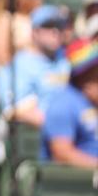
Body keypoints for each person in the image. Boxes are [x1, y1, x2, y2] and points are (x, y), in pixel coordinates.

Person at [38, 39, 98, 170]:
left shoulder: (91, 102)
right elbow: (62, 155)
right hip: (77, 184)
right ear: (85, 77)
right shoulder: (63, 104)